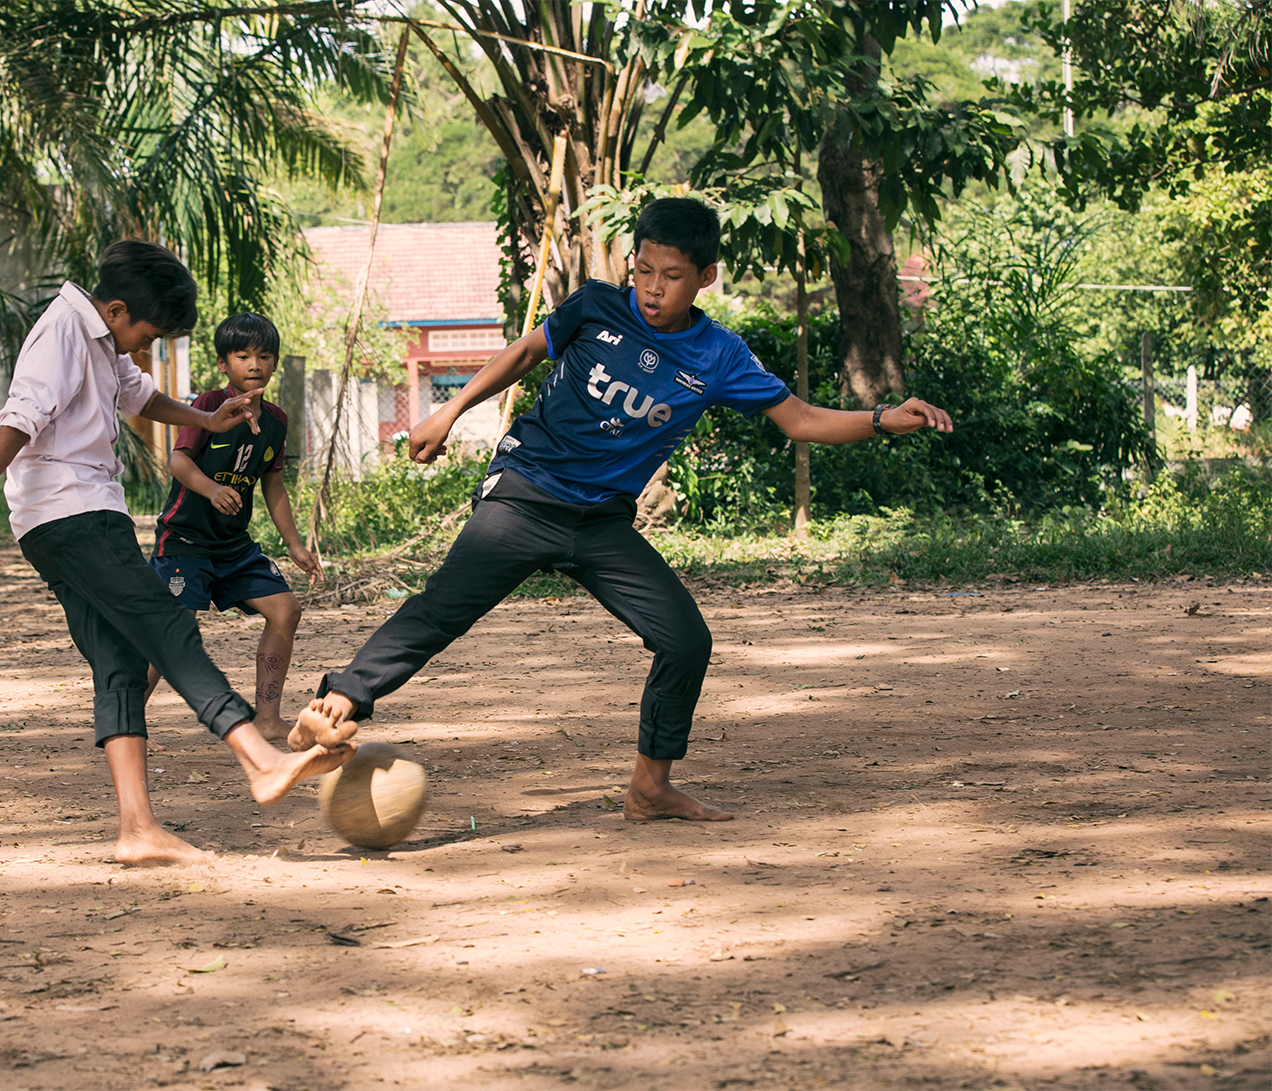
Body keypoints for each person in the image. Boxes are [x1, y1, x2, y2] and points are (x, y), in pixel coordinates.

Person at [292, 197, 951, 821]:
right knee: (442, 609)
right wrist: (450, 407)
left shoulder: (718, 356)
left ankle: (650, 787)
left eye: (671, 276)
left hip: (601, 523)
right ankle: (338, 699)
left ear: (706, 278)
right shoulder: (597, 308)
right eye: (642, 270)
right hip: (526, 489)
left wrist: (883, 418)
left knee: (685, 639)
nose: (653, 289)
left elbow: (801, 419)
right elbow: (526, 352)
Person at [0, 241, 354, 866]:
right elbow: (20, 416)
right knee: (166, 620)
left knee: (119, 661)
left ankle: (137, 831)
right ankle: (259, 759)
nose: (144, 349)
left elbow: (142, 398)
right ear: (116, 311)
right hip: (69, 511)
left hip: (85, 510)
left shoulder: (102, 337)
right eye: (146, 335)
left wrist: (217, 421)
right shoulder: (64, 330)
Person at [145, 313, 322, 740]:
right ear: (224, 363)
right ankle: (126, 720)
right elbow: (178, 460)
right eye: (243, 356)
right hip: (185, 542)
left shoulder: (277, 421)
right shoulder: (208, 405)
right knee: (174, 628)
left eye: (264, 356)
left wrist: (295, 545)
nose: (254, 364)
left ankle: (266, 718)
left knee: (285, 610)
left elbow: (274, 485)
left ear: (275, 363)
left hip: (233, 546)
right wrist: (209, 489)